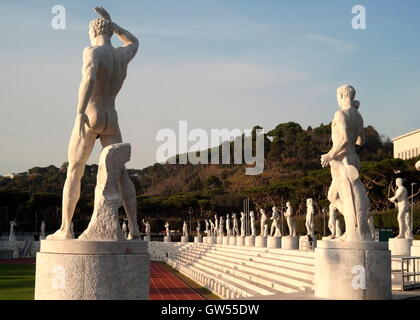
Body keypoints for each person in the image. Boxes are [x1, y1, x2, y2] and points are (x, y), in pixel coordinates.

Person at [48, 7, 140, 240]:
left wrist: (79, 112)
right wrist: (115, 25)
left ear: (92, 31)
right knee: (121, 175)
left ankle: (66, 228)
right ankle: (134, 229)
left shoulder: (92, 51)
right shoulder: (121, 56)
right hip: (111, 116)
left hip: (91, 114)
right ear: (110, 32)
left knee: (75, 170)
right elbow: (135, 41)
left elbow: (88, 79)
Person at [320, 85, 371, 241]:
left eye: (337, 96)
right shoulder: (358, 116)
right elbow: (361, 141)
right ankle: (354, 225)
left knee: (348, 196)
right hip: (353, 157)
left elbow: (345, 139)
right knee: (332, 196)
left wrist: (330, 154)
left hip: (343, 159)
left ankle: (353, 231)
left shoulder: (340, 114)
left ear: (342, 95)